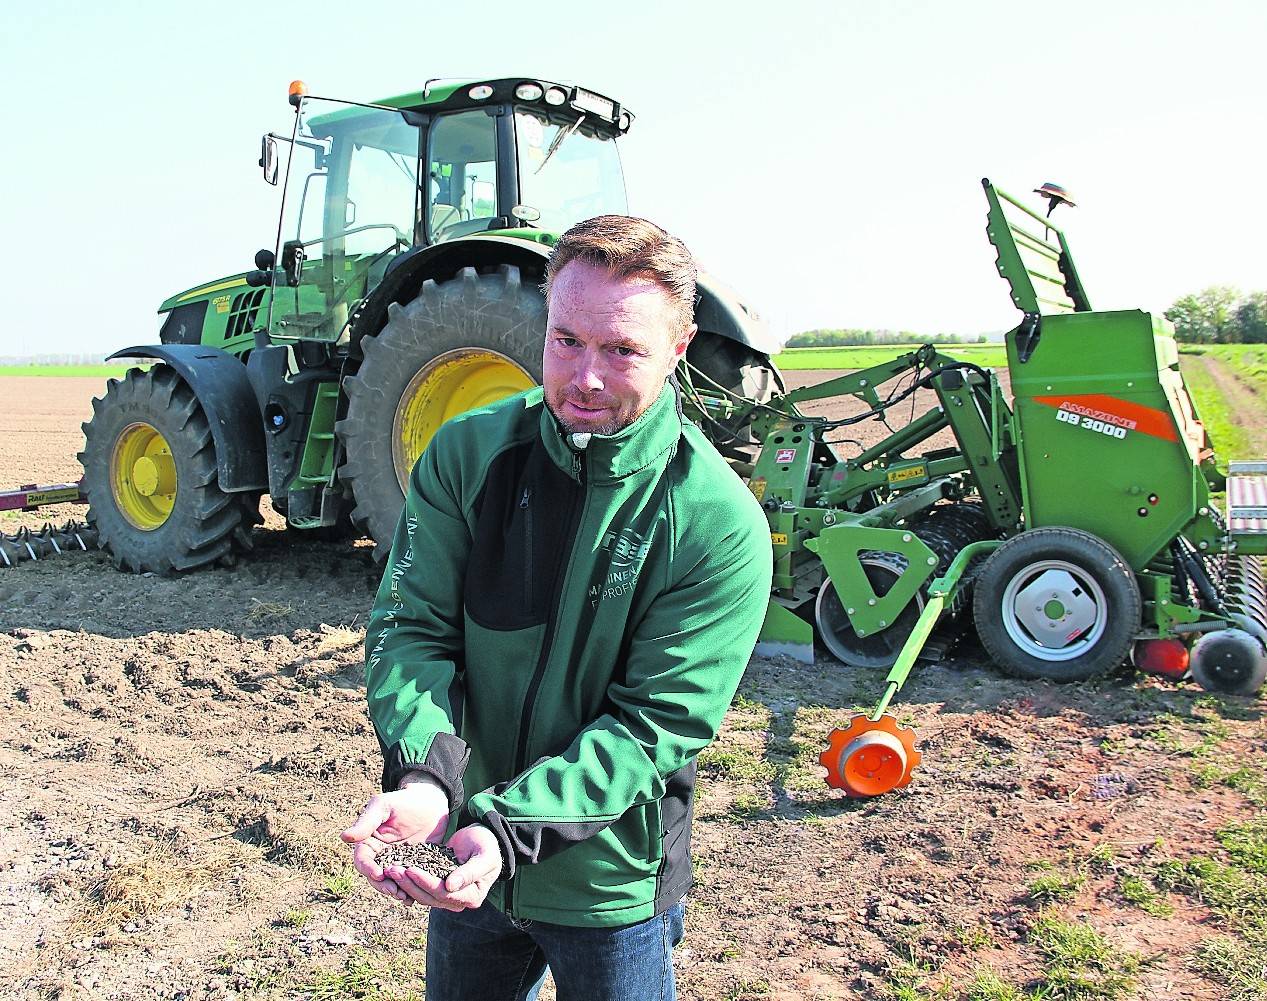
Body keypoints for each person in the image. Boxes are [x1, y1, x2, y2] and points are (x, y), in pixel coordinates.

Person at [341, 215, 773, 1001]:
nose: (586, 378)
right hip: (465, 854)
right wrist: (427, 781)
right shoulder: (465, 454)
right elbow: (411, 630)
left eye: (621, 350)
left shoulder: (713, 521)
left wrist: (507, 829)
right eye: (566, 340)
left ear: (677, 348)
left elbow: (654, 724)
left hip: (606, 884)